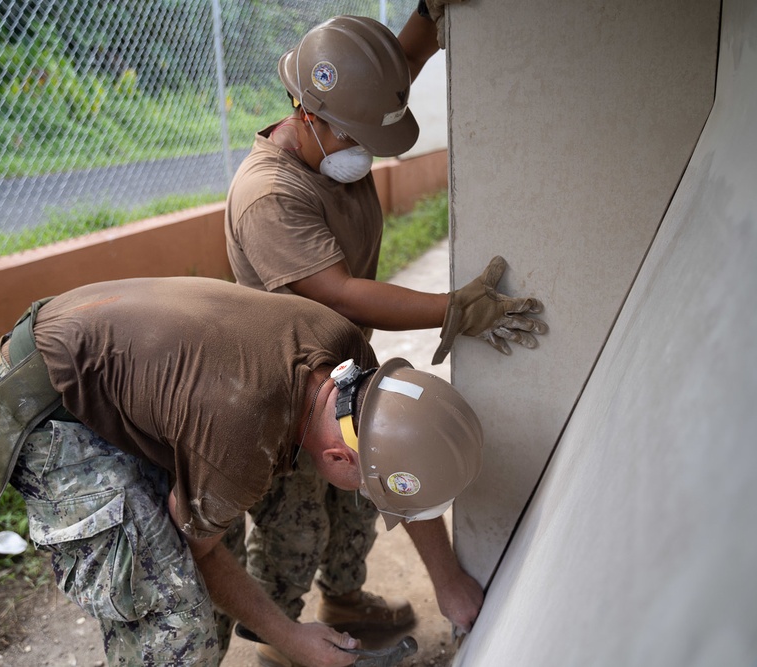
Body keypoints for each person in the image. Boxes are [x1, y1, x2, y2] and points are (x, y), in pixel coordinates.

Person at [0, 276, 484, 667]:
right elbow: (200, 552)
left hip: (118, 358)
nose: (367, 495)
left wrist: (450, 581)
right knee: (178, 623)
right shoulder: (242, 439)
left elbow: (396, 462)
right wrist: (292, 638)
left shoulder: (349, 361)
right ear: (341, 457)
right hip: (45, 403)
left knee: (246, 520)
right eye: (367, 487)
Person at [223, 13, 545, 667]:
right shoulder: (269, 195)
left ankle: (344, 602)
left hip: (334, 350)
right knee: (297, 527)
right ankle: (279, 641)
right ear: (307, 111)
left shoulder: (338, 133)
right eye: (354, 132)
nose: (364, 148)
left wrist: (430, 22)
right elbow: (340, 290)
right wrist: (454, 309)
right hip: (283, 391)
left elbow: (388, 74)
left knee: (356, 510)